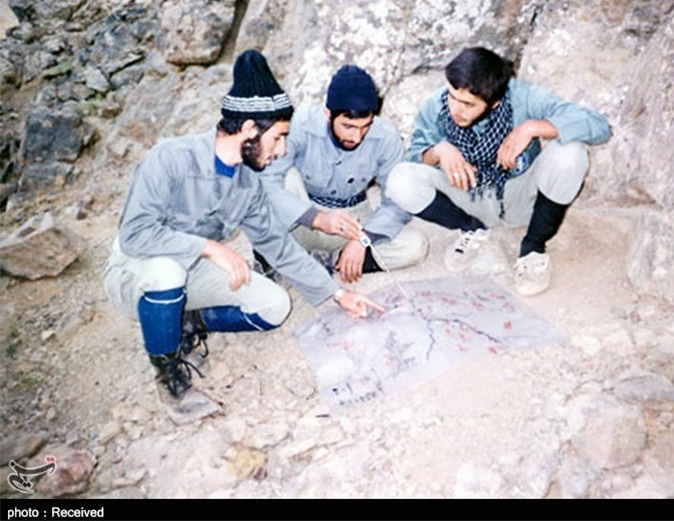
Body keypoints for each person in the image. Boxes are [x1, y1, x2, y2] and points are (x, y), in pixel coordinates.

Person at [103, 50, 383, 423]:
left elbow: (278, 246)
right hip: (137, 272)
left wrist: (337, 294)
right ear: (250, 128)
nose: (282, 150)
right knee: (168, 272)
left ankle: (188, 320)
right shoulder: (169, 158)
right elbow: (135, 234)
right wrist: (208, 247)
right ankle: (169, 376)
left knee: (275, 306)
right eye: (278, 137)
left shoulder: (248, 181)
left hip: (195, 271)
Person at [386, 46, 611, 296]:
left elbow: (599, 126)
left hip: (521, 197)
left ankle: (533, 249)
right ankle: (471, 229)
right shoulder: (436, 104)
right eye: (452, 97)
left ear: (493, 103)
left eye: (468, 104)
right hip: (468, 196)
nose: (455, 109)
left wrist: (532, 128)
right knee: (400, 179)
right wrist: (439, 150)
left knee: (571, 151)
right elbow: (415, 158)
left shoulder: (522, 96)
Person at [260, 64, 428, 284]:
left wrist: (363, 240)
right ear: (328, 114)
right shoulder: (300, 124)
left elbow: (398, 202)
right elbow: (268, 181)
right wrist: (318, 218)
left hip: (353, 221)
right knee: (285, 178)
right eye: (348, 127)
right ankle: (277, 256)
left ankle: (331, 260)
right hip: (302, 218)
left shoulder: (386, 137)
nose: (357, 137)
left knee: (415, 246)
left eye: (365, 127)